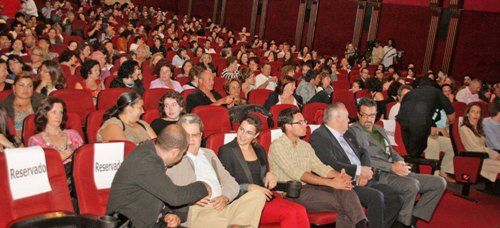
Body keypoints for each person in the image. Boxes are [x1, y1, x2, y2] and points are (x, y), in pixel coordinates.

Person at [349, 98, 447, 227]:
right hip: (378, 174)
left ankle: (412, 219)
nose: (368, 119)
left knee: (439, 182)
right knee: (411, 185)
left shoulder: (379, 129)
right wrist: (391, 167)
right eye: (365, 115)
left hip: (395, 170)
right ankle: (401, 224)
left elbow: (391, 152)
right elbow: (363, 160)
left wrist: (401, 162)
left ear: (376, 114)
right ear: (358, 114)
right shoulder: (354, 131)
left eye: (372, 115)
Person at [268, 108, 368, 228]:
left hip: (310, 187)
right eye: (300, 122)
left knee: (346, 190)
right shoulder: (277, 147)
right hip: (292, 193)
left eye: (304, 121)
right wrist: (331, 183)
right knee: (346, 204)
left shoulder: (305, 146)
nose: (305, 125)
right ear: (288, 126)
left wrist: (339, 176)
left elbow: (320, 167)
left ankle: (362, 224)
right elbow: (298, 174)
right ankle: (363, 224)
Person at [310, 102, 403, 228]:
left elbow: (364, 152)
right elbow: (331, 163)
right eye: (346, 117)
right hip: (343, 183)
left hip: (362, 178)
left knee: (396, 197)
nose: (349, 120)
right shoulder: (319, 136)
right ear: (337, 118)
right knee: (376, 197)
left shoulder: (347, 132)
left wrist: (364, 172)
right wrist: (358, 171)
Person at [166, 114, 267, 227]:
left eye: (194, 135)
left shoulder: (209, 154)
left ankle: (236, 224)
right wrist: (191, 198)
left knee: (258, 195)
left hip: (222, 207)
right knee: (243, 221)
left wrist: (225, 197)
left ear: (201, 135)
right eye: (186, 135)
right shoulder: (173, 157)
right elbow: (169, 191)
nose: (190, 139)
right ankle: (237, 225)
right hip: (199, 212)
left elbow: (231, 183)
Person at [106, 124, 212, 227]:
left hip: (149, 221)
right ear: (175, 152)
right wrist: (203, 186)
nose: (181, 157)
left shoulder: (151, 154)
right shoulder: (145, 162)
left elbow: (157, 191)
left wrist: (168, 214)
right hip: (127, 224)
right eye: (182, 153)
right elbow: (175, 197)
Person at [218, 114, 310, 227]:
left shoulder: (259, 149)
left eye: (249, 132)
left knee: (300, 210)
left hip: (265, 197)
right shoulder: (226, 150)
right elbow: (223, 184)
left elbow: (264, 174)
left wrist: (270, 174)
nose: (242, 135)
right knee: (292, 212)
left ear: (256, 135)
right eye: (241, 129)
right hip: (243, 202)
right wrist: (249, 187)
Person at [397, 78, 455, 158]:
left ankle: (444, 170)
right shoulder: (436, 92)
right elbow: (452, 117)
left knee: (450, 144)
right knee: (433, 145)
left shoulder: (410, 95)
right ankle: (430, 170)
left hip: (420, 131)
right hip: (413, 135)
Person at [28, 97, 84, 166]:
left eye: (61, 112)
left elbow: (84, 160)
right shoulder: (36, 140)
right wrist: (56, 159)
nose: (58, 116)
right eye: (54, 112)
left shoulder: (73, 135)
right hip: (53, 175)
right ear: (44, 114)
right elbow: (38, 168)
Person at [459, 103, 500, 182]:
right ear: (467, 114)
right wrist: (494, 154)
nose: (475, 114)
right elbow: (475, 148)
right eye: (473, 112)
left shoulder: (478, 128)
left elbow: (482, 147)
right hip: (475, 159)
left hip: (483, 157)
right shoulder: (464, 128)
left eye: (478, 112)